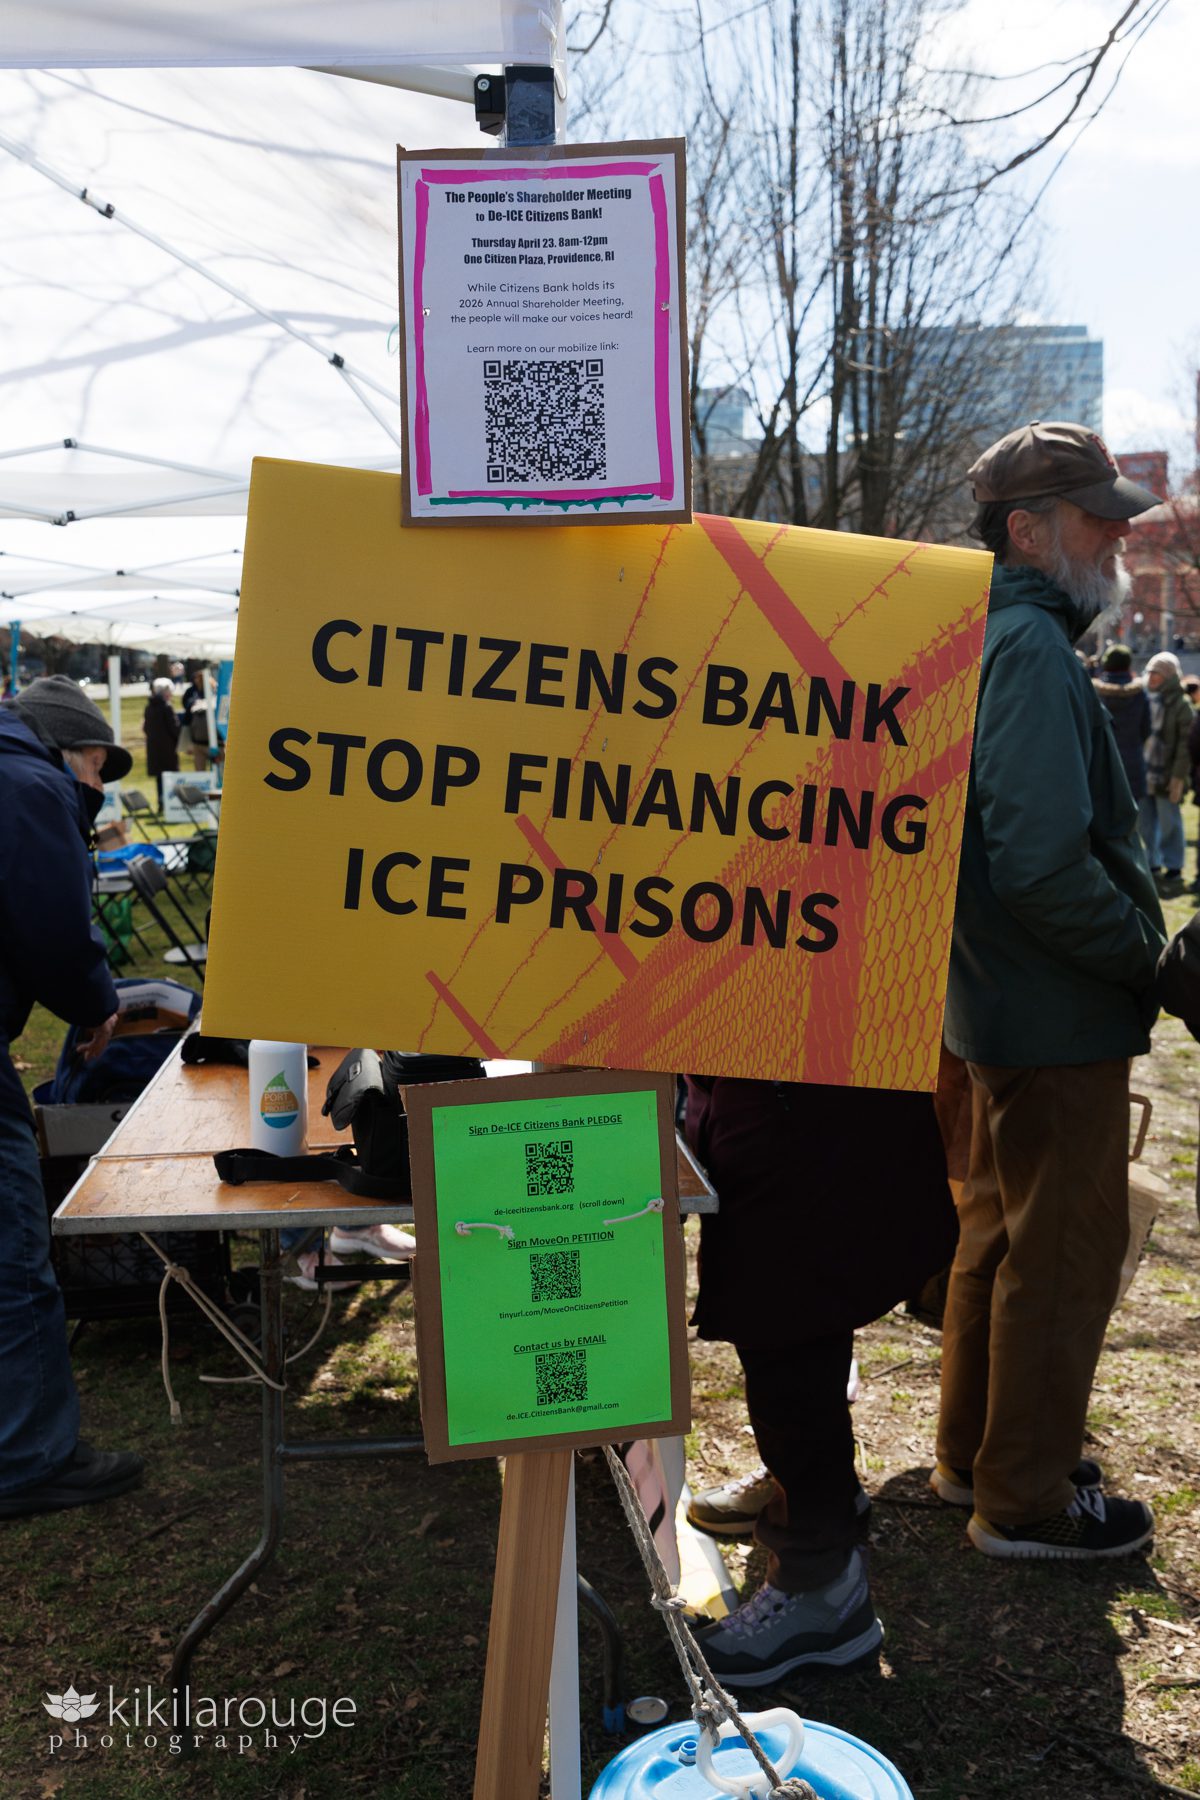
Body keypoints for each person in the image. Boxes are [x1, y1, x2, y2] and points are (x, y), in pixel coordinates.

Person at [936, 420, 1165, 1561]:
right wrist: (1146, 952)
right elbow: (1035, 858)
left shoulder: (1000, 637)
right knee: (1061, 1255)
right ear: (1027, 532)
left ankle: (977, 1457)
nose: (1122, 531)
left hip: (1005, 1005)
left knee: (1001, 1239)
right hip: (1053, 1009)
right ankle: (1022, 1498)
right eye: (1097, 513)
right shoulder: (1026, 648)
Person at [682, 1077, 957, 1686]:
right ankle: (809, 1491)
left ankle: (822, 1589)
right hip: (758, 1082)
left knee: (788, 1309)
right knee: (781, 1304)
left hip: (805, 1086)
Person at [0, 676, 144, 1515]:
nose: (96, 790)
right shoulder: (30, 785)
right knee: (16, 1253)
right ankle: (26, 1457)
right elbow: (53, 927)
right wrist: (97, 1005)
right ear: (64, 748)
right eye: (96, 767)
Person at [1139, 650, 1194, 898]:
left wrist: (1178, 778)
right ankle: (1152, 862)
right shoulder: (1142, 699)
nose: (1151, 678)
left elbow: (1185, 744)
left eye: (1157, 674)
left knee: (1170, 821)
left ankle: (1174, 866)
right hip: (1145, 771)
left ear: (1169, 677)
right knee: (1146, 822)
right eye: (1150, 673)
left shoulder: (1181, 705)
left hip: (1169, 773)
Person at [1092, 643, 1150, 810]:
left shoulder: (1094, 693)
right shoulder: (1139, 694)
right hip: (1133, 760)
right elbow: (1146, 729)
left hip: (1099, 762)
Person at [142, 675, 180, 806]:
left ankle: (161, 802)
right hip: (167, 749)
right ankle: (170, 803)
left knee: (159, 778)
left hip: (154, 748)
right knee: (169, 776)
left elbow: (146, 727)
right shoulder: (166, 707)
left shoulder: (149, 707)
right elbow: (174, 728)